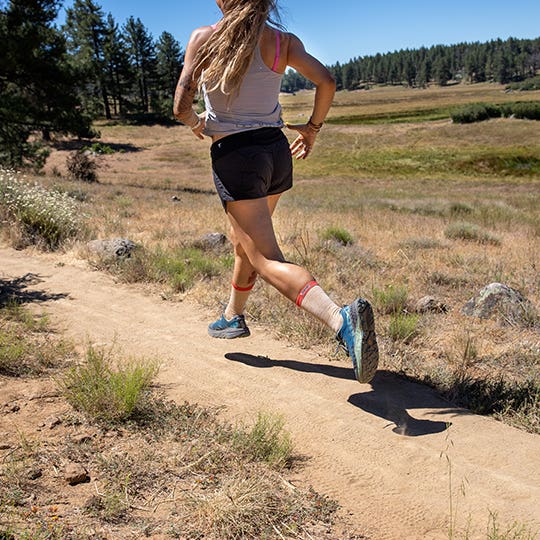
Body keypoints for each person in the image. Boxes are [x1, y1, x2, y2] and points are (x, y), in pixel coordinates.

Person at [173, 0, 378, 383]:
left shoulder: (204, 39)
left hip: (237, 155)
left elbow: (180, 104)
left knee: (265, 257)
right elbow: (327, 81)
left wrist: (195, 121)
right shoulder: (284, 42)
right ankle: (233, 316)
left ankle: (340, 319)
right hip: (275, 150)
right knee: (244, 242)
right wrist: (312, 128)